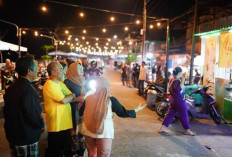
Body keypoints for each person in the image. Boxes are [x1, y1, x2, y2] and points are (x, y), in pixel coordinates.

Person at [79, 77, 146, 157]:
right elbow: (122, 113)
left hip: (88, 132)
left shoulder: (88, 98)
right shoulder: (110, 100)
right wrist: (136, 110)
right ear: (107, 86)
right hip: (104, 134)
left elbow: (80, 112)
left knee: (91, 154)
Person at [4, 55, 45, 157]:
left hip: (13, 134)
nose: (37, 71)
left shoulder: (12, 87)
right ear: (29, 71)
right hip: (26, 136)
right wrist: (40, 125)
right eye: (36, 69)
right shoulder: (28, 89)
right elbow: (33, 114)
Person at [43, 62, 84, 157]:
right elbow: (64, 100)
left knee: (63, 150)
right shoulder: (50, 85)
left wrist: (71, 96)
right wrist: (70, 96)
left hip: (65, 123)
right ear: (53, 72)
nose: (63, 72)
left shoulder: (60, 83)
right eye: (61, 69)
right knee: (54, 151)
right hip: (56, 124)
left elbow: (71, 96)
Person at [159, 67, 196, 136]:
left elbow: (178, 91)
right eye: (181, 72)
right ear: (179, 73)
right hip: (180, 101)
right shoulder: (177, 81)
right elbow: (180, 87)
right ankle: (187, 130)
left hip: (173, 100)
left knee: (170, 114)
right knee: (184, 115)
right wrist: (184, 78)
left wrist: (185, 94)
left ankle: (162, 128)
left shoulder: (171, 80)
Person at [64, 61, 86, 156]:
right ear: (73, 70)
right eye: (79, 69)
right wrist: (77, 99)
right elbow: (64, 99)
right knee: (72, 133)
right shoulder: (67, 82)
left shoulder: (83, 80)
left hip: (81, 110)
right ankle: (71, 152)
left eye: (81, 69)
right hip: (72, 111)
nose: (81, 71)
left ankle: (80, 152)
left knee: (81, 131)